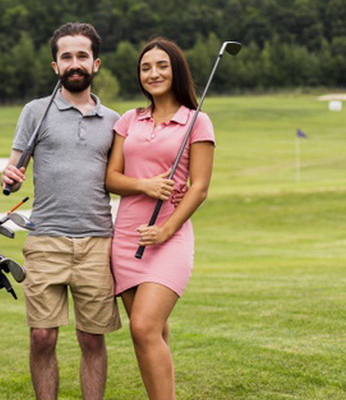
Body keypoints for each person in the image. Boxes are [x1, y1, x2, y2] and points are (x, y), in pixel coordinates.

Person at [1, 22, 121, 400]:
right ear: (55, 66)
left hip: (97, 242)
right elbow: (14, 172)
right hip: (46, 238)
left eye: (81, 56)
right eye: (66, 56)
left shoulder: (115, 122)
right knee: (41, 337)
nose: (74, 63)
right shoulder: (35, 112)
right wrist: (11, 177)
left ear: (95, 63)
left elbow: (120, 177)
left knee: (91, 337)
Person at [105, 37, 216, 400]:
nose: (153, 73)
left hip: (169, 237)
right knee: (153, 332)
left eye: (161, 66)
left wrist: (166, 229)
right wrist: (146, 185)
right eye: (146, 67)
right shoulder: (128, 120)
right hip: (126, 240)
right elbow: (111, 178)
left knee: (143, 326)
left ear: (176, 70)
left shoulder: (196, 122)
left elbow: (199, 187)